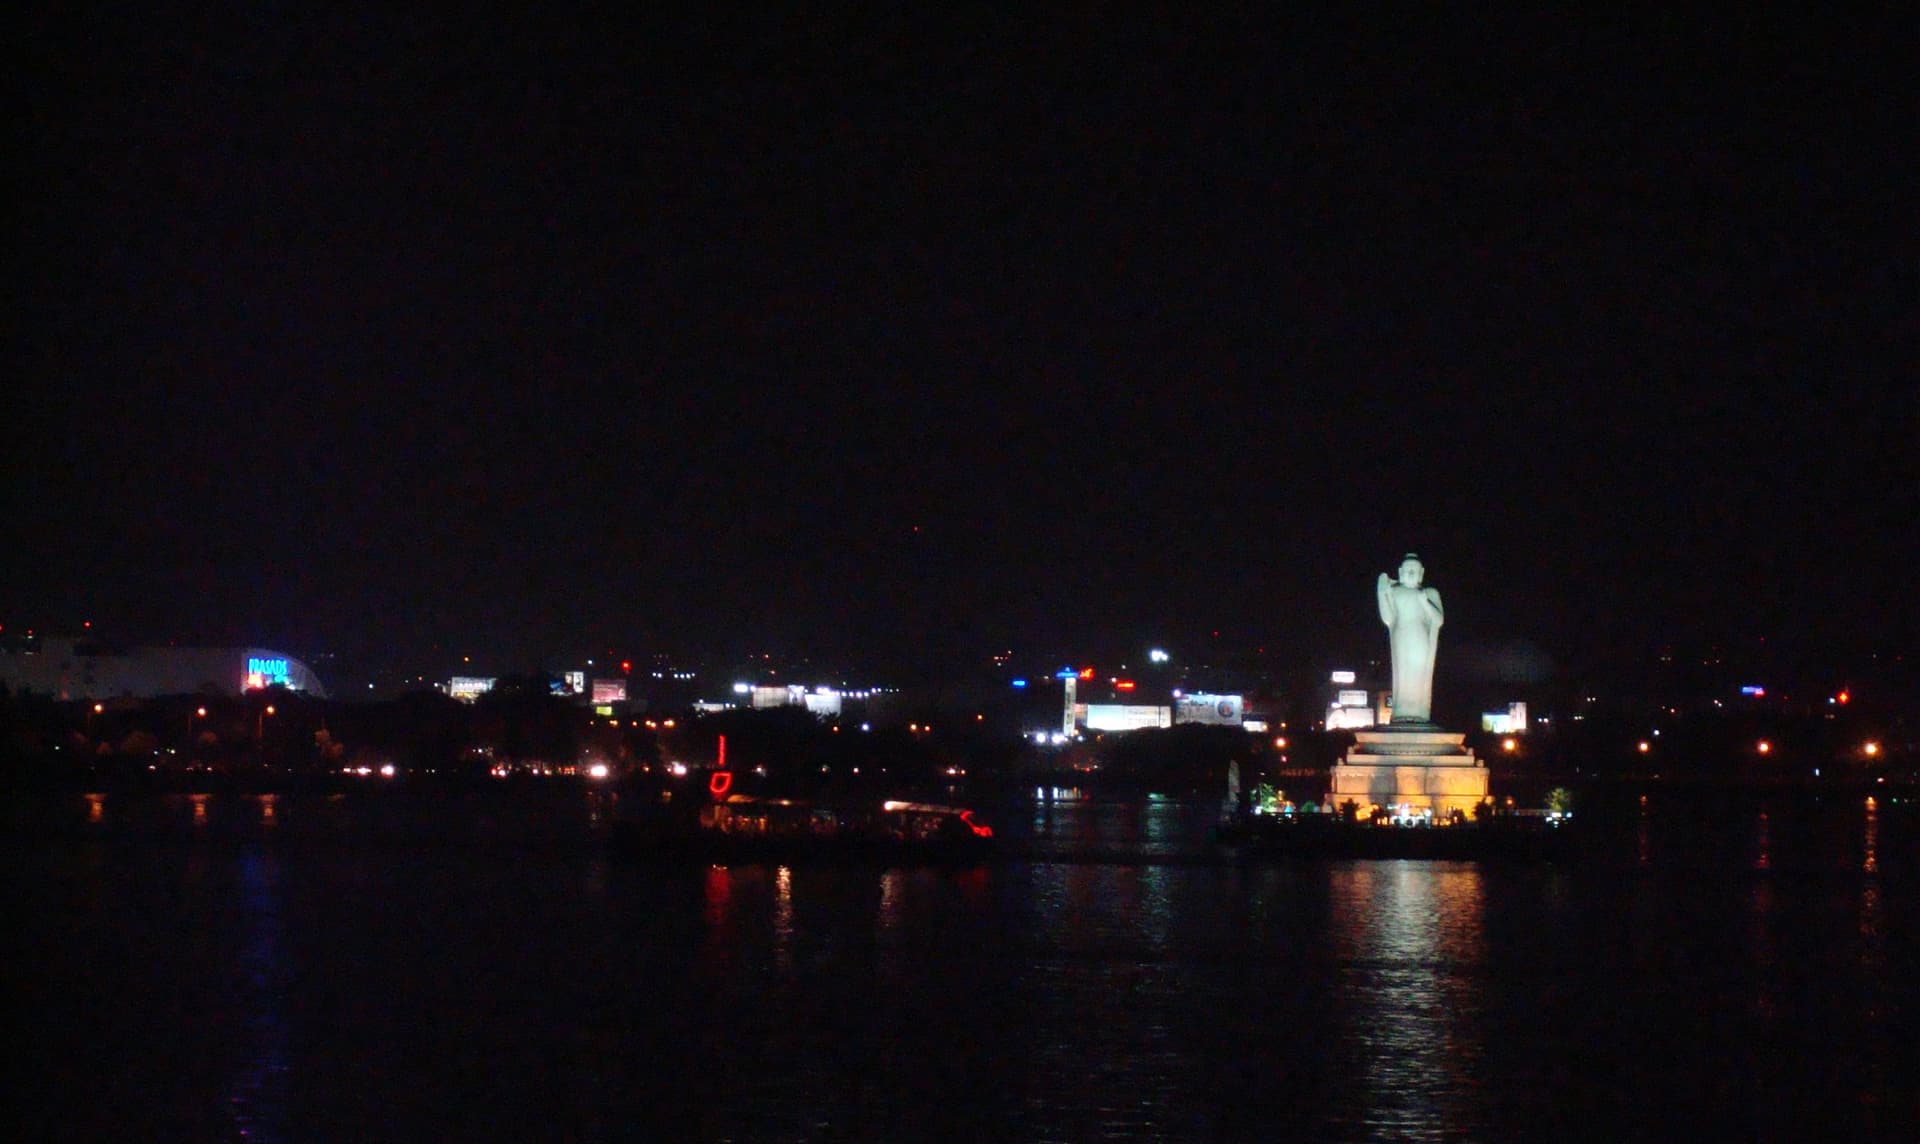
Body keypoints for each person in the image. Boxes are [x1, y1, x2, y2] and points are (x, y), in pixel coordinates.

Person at [1377, 553, 1444, 723]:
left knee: (1418, 674)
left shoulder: (1429, 593)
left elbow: (1438, 620)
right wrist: (1382, 593)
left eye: (1414, 571)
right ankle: (1401, 712)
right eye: (1407, 571)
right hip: (1401, 637)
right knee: (1402, 675)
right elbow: (1388, 618)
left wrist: (1425, 602)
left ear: (1421, 573)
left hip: (1420, 638)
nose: (1411, 574)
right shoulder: (1395, 592)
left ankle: (1419, 712)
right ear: (1400, 572)